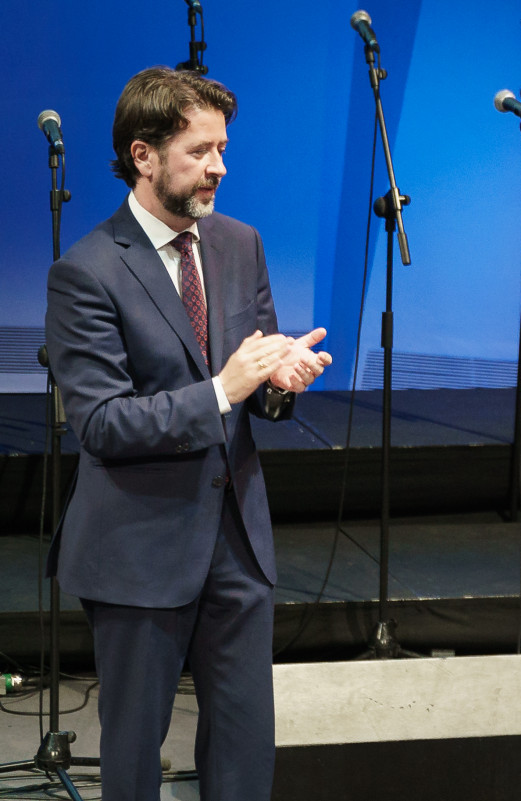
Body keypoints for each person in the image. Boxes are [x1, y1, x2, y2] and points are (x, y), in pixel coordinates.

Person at [44, 66, 332, 801]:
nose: (219, 167)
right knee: (135, 755)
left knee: (245, 746)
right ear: (143, 156)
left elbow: (253, 381)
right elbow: (101, 423)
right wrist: (223, 389)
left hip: (237, 541)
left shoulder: (240, 244)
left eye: (222, 149)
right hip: (140, 548)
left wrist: (278, 382)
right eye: (200, 151)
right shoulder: (86, 272)